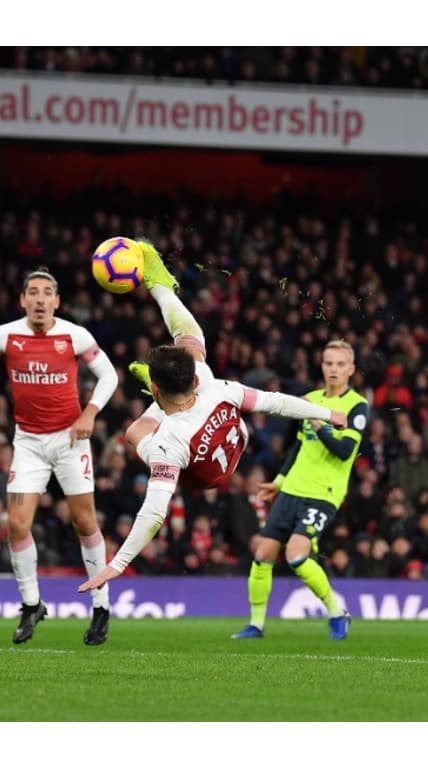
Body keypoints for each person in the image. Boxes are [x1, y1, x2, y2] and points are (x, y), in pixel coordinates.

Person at [77, 243, 347, 612]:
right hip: (234, 439)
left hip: (206, 474)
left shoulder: (168, 442)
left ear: (156, 390)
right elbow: (276, 401)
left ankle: (160, 370)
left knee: (134, 433)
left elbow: (154, 513)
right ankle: (161, 287)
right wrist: (325, 412)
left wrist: (116, 564)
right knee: (191, 341)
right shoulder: (217, 385)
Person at [0, 266, 118, 645]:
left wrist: (90, 412)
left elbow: (109, 375)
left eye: (48, 292)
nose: (41, 299)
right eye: (33, 292)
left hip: (70, 441)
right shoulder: (5, 335)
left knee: (84, 521)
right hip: (28, 442)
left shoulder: (74, 335)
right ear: (23, 300)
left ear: (57, 301)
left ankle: (101, 607)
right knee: (16, 524)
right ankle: (32, 605)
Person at [229, 338, 369, 640]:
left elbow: (345, 450)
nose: (334, 369)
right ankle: (256, 624)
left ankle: (337, 610)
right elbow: (298, 447)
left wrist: (318, 419)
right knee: (263, 552)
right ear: (322, 366)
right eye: (329, 363)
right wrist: (279, 482)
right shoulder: (308, 398)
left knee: (295, 555)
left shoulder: (357, 406)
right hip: (292, 488)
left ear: (351, 369)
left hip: (324, 492)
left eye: (340, 364)